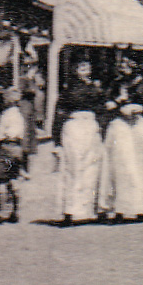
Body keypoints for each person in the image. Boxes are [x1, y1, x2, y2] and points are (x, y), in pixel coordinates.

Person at [53, 59, 105, 225]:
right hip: (74, 127)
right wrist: (56, 140)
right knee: (73, 168)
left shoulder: (94, 87)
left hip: (90, 126)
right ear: (74, 69)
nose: (85, 69)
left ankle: (91, 209)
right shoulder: (69, 88)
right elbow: (60, 112)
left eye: (87, 66)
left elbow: (101, 107)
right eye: (81, 66)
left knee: (92, 167)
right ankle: (70, 211)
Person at [99, 103, 143, 221]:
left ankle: (142, 210)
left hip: (139, 134)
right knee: (121, 174)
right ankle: (119, 211)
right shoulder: (115, 123)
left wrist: (140, 110)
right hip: (121, 135)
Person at [0, 88, 26, 223]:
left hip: (6, 148)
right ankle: (16, 211)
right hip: (17, 148)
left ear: (6, 101)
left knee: (1, 181)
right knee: (13, 179)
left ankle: (2, 212)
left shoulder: (6, 115)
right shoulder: (20, 115)